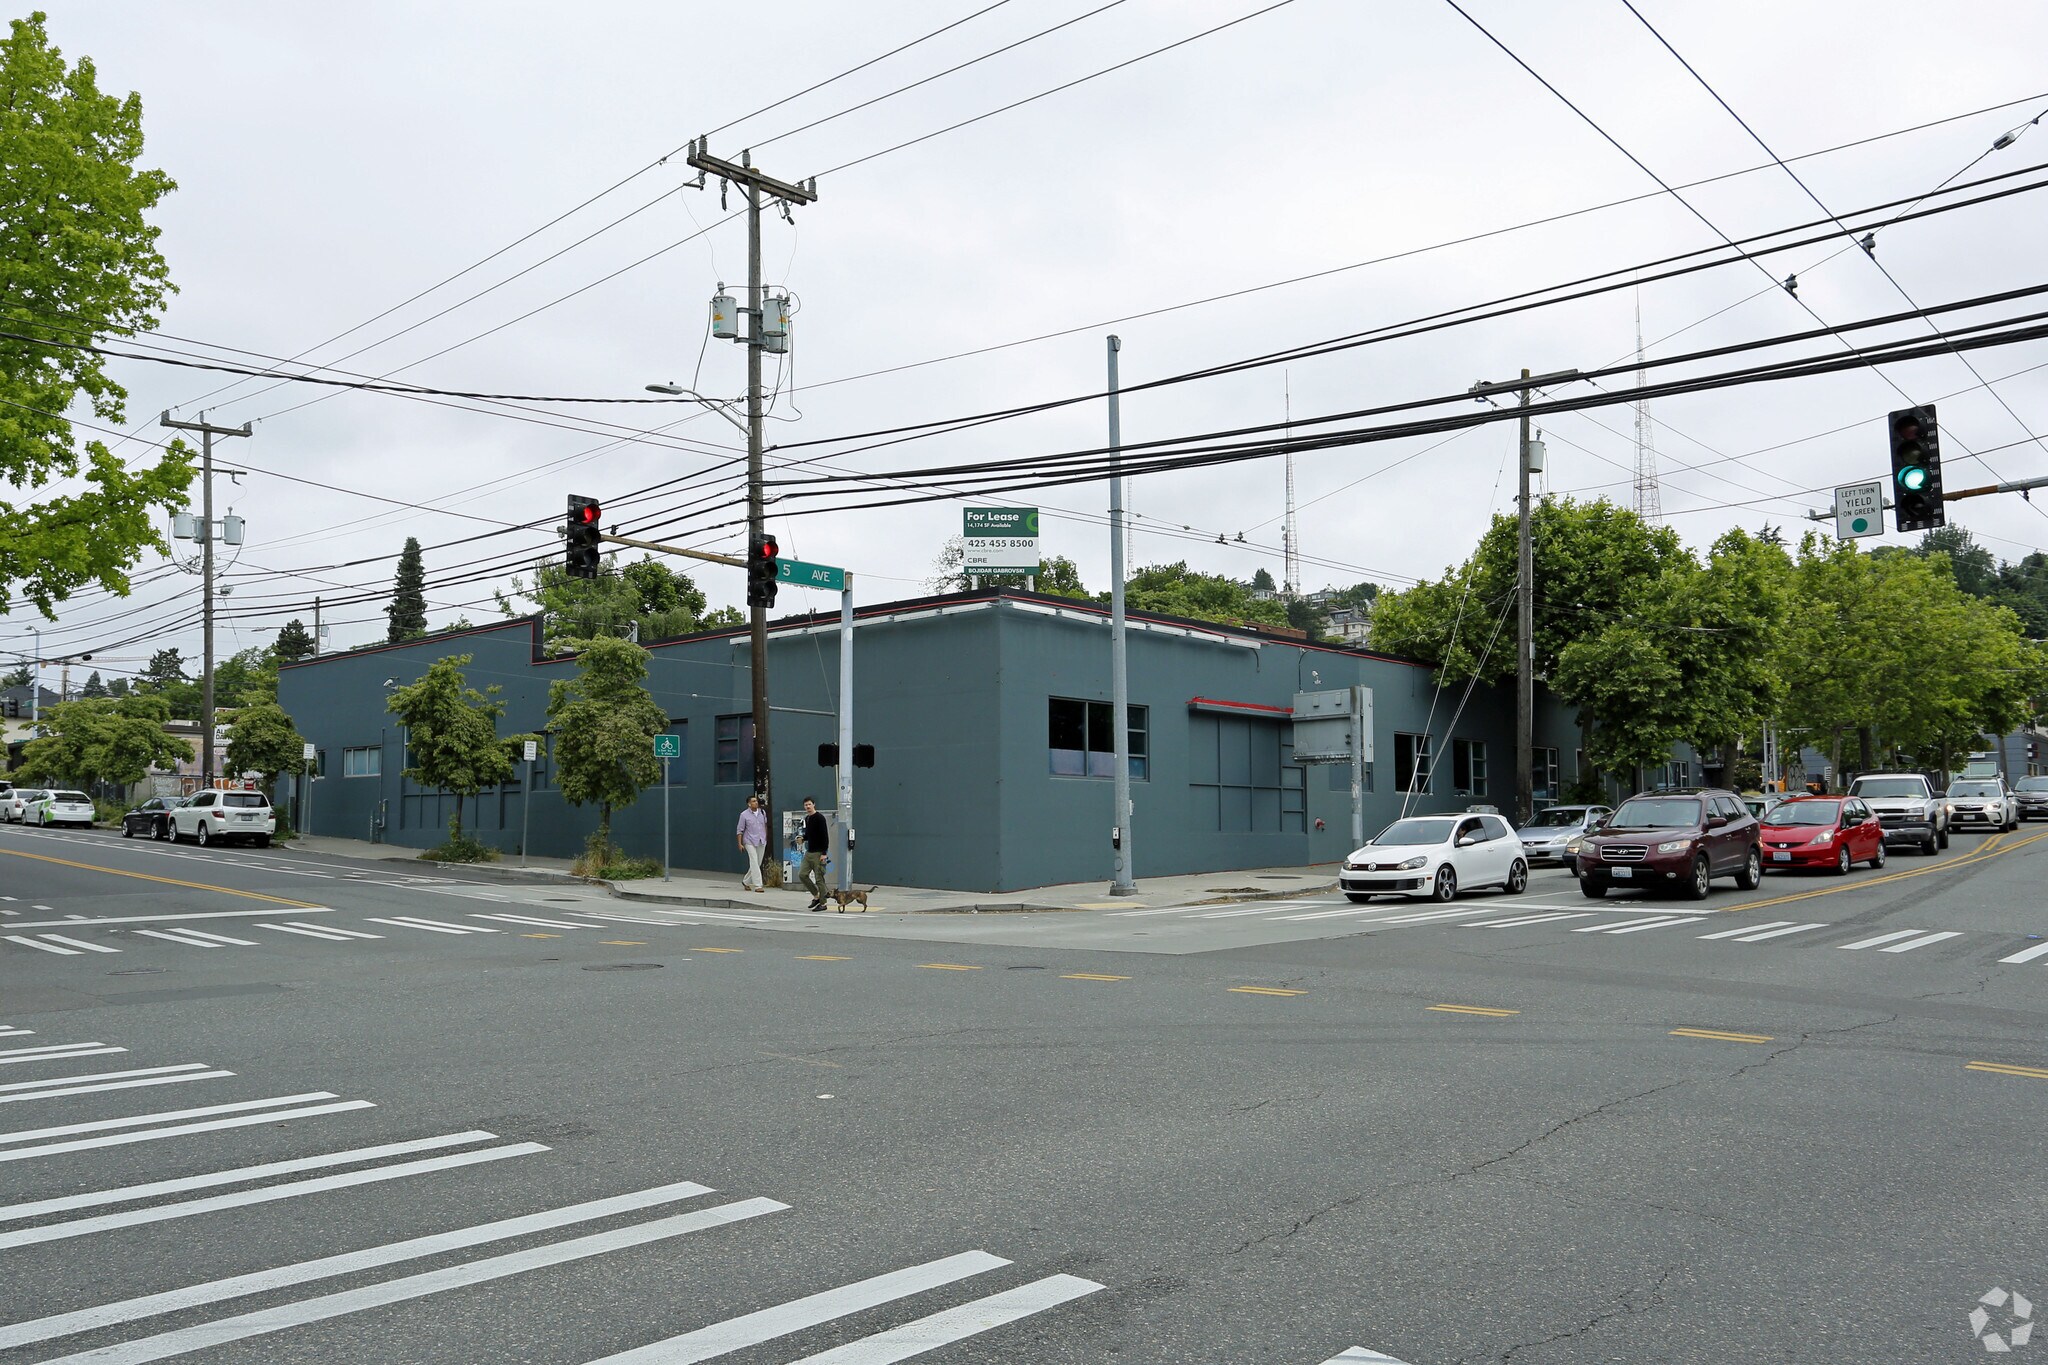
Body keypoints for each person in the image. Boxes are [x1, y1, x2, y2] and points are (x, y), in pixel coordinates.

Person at [799, 796, 830, 911]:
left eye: (809, 804)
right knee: (802, 874)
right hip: (809, 852)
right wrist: (803, 838)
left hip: (819, 853)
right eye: (806, 805)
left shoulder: (820, 818)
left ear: (814, 805)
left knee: (819, 879)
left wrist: (824, 853)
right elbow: (809, 834)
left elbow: (824, 836)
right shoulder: (808, 818)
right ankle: (816, 896)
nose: (807, 807)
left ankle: (823, 903)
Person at [735, 794, 768, 892]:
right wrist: (740, 843)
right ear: (749, 804)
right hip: (749, 841)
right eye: (753, 801)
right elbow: (739, 830)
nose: (756, 802)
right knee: (753, 860)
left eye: (756, 801)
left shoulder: (762, 812)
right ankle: (758, 885)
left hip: (761, 840)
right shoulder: (744, 815)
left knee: (757, 863)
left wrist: (765, 837)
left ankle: (745, 881)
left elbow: (764, 825)